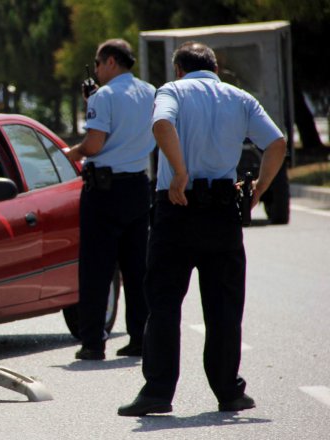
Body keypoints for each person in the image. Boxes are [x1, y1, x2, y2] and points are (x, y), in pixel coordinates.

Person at [118, 41, 286, 416]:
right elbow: (276, 142)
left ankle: (158, 392)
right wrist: (259, 188)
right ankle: (229, 392)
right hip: (223, 211)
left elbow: (162, 123)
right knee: (225, 307)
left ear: (179, 69)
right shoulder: (239, 98)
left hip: (177, 209)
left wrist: (179, 171)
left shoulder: (172, 90)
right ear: (214, 67)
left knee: (162, 303)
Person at [66, 39, 154, 361]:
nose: (98, 70)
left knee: (96, 269)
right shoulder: (150, 92)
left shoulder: (103, 97)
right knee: (136, 267)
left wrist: (70, 153)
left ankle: (93, 342)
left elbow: (94, 144)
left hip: (103, 191)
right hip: (137, 187)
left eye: (99, 63)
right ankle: (140, 338)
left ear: (112, 62)